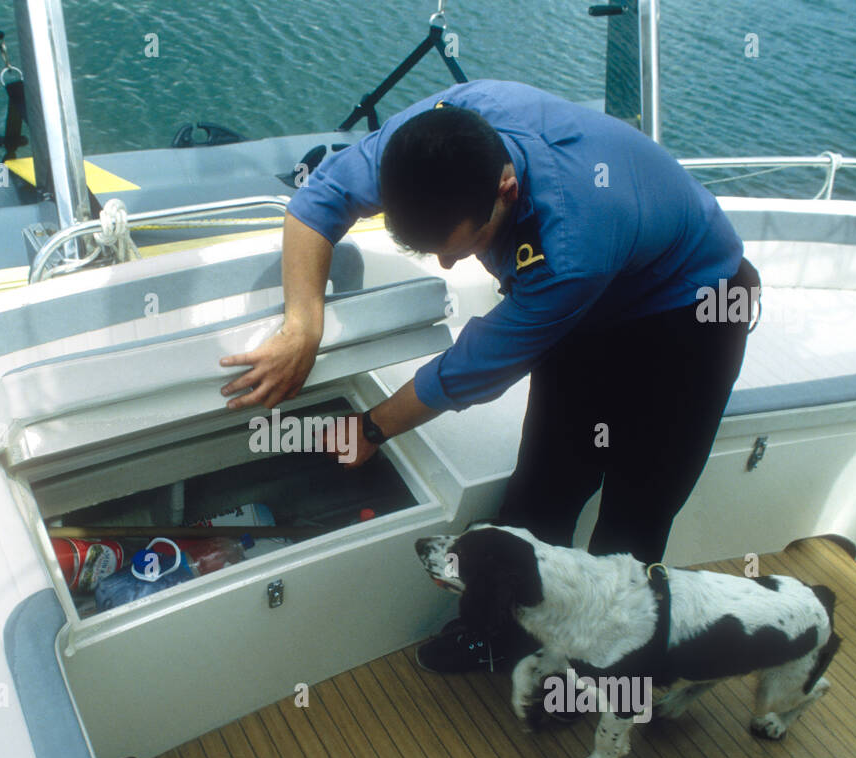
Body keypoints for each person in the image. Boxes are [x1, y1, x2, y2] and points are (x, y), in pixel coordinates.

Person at [218, 79, 759, 674]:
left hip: (693, 311)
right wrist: (303, 326)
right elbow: (318, 201)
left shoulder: (572, 240)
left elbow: (474, 367)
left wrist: (370, 430)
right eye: (434, 253)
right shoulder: (426, 141)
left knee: (635, 517)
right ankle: (499, 634)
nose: (451, 266)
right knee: (544, 483)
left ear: (507, 190)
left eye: (464, 245)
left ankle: (592, 674)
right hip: (595, 295)